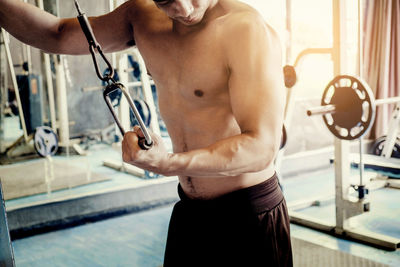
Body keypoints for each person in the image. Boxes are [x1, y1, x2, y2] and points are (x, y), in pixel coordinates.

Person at [0, 0, 292, 266]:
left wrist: (168, 163)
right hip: (190, 215)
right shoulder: (141, 17)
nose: (184, 9)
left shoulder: (244, 29)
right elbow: (57, 34)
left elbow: (261, 148)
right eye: (166, 1)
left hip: (248, 217)